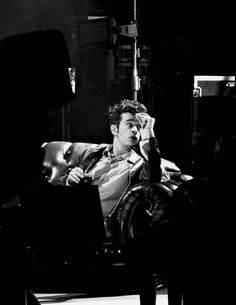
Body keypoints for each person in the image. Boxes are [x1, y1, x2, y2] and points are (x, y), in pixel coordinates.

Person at [55, 98, 162, 236]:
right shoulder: (92, 154)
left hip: (97, 228)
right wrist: (69, 180)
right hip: (69, 215)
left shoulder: (141, 164)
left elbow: (153, 172)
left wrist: (148, 131)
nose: (135, 130)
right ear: (114, 129)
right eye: (129, 125)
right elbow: (59, 183)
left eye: (138, 126)